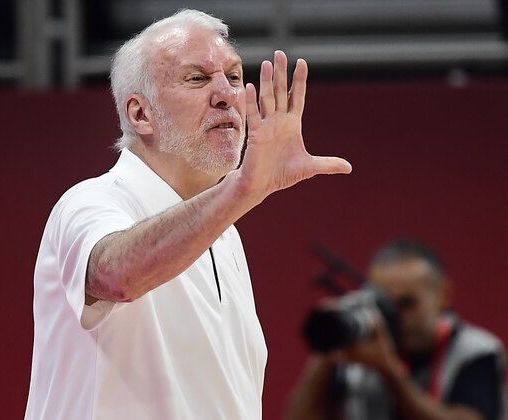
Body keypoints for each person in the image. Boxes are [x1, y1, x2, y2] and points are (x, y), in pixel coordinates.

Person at [24, 8, 352, 420]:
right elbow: (114, 276)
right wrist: (243, 190)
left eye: (234, 77)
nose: (226, 94)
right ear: (139, 114)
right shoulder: (91, 201)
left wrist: (236, 196)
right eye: (196, 78)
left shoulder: (226, 234)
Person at [284, 240, 505, 420]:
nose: (395, 316)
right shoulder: (354, 347)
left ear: (443, 294)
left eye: (407, 304)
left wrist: (389, 369)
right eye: (383, 303)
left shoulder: (475, 351)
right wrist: (329, 345)